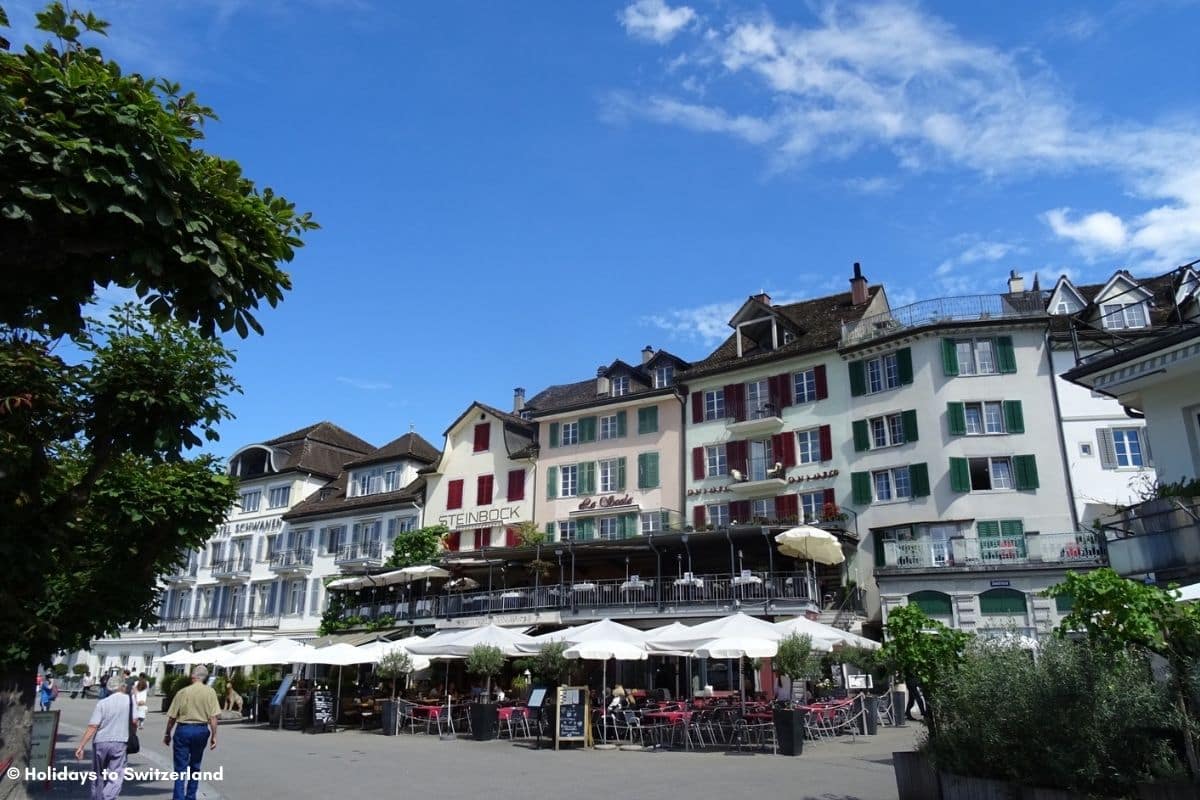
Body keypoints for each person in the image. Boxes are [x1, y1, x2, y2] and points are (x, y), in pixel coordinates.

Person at [163, 665, 220, 800]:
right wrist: (214, 736)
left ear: (193, 676)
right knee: (195, 765)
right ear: (205, 677)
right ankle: (190, 796)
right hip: (201, 730)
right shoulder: (210, 692)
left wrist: (167, 734)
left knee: (180, 767)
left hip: (183, 729)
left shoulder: (182, 692)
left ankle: (178, 797)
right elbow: (213, 718)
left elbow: (172, 717)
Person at [74, 674, 134, 800]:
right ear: (122, 686)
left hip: (101, 740)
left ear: (108, 688)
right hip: (120, 740)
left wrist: (81, 746)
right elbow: (134, 721)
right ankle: (108, 797)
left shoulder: (102, 703)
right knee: (115, 774)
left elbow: (93, 726)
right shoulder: (129, 700)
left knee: (98, 773)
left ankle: (96, 797)